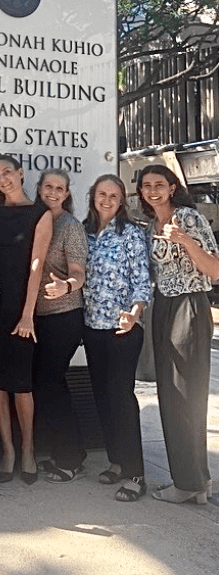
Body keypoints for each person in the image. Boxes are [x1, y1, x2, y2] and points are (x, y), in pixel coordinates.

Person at [137, 165, 219, 504]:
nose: (153, 190)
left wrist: (183, 240)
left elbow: (214, 270)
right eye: (146, 185)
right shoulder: (148, 227)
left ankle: (189, 483)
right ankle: (196, 481)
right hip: (163, 307)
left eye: (160, 184)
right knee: (171, 395)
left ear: (173, 188)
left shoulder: (188, 218)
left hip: (189, 305)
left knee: (186, 395)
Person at [0, 155, 52, 485]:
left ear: (21, 174)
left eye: (8, 172)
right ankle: (7, 450)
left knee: (22, 383)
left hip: (23, 311)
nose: (3, 179)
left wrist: (27, 314)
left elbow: (37, 266)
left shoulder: (41, 214)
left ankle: (28, 450)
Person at [82, 174, 152, 502]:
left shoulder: (132, 234)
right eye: (101, 194)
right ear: (93, 197)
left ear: (122, 200)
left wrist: (135, 312)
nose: (107, 200)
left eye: (114, 195)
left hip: (124, 329)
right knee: (102, 397)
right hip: (93, 327)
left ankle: (136, 473)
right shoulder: (84, 232)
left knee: (121, 399)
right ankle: (116, 462)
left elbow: (142, 281)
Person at [32, 169, 88, 483]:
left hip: (64, 317)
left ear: (66, 194)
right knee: (48, 385)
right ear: (39, 189)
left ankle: (71, 458)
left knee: (51, 384)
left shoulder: (70, 226)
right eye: (48, 186)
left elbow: (78, 272)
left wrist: (67, 286)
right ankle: (62, 454)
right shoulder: (34, 220)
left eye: (60, 188)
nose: (53, 192)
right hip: (36, 316)